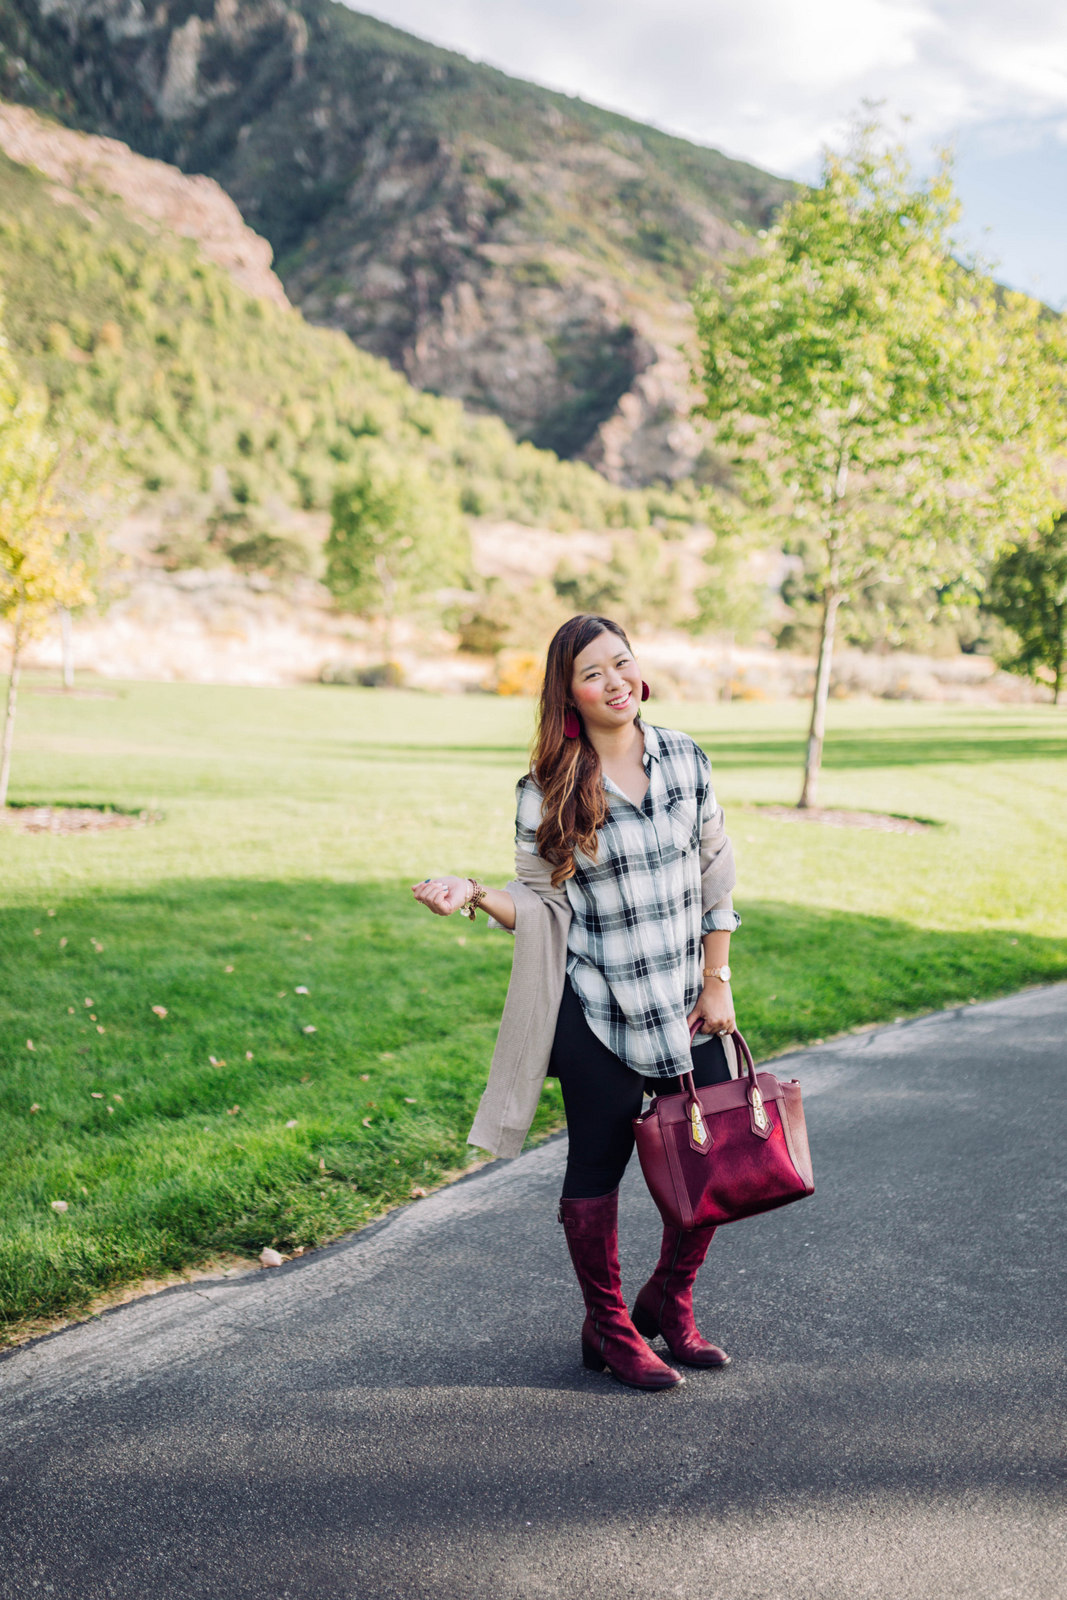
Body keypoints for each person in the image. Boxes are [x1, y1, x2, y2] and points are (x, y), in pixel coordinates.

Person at [412, 614, 740, 1391]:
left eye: (621, 664)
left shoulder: (685, 759)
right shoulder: (545, 792)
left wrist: (716, 977)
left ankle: (671, 1299)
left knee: (714, 1161)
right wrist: (473, 896)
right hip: (597, 1006)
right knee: (599, 1166)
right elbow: (542, 908)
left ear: (639, 671)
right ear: (568, 693)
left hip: (686, 1002)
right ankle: (610, 1325)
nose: (613, 681)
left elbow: (714, 873)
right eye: (592, 673)